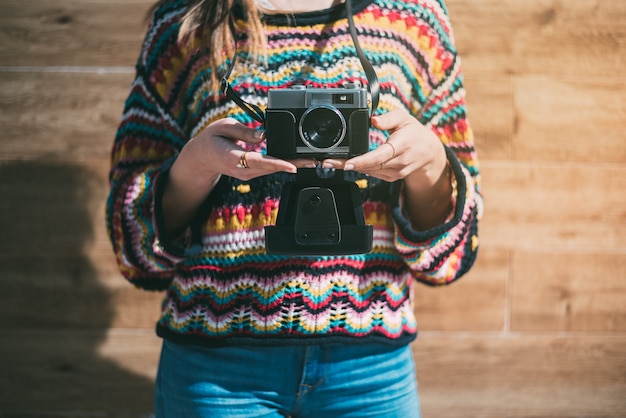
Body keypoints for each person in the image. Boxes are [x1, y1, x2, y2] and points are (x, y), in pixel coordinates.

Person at [105, 0, 483, 416]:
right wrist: (196, 166)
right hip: (218, 367)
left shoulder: (413, 17)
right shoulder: (185, 20)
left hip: (368, 369)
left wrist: (429, 164)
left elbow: (455, 248)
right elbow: (133, 242)